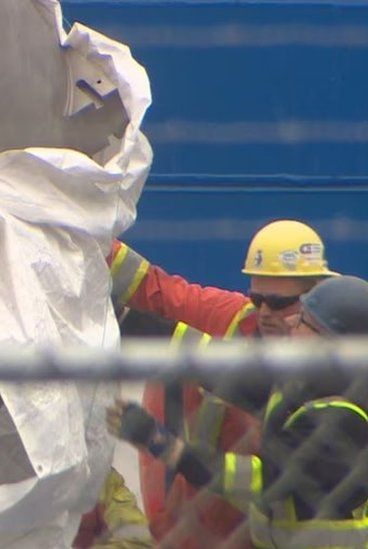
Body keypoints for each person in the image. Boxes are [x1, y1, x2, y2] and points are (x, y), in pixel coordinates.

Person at [107, 219, 338, 546]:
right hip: (208, 494)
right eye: (258, 299)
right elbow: (161, 292)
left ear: (315, 295)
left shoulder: (342, 348)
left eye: (280, 302)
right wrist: (93, 243)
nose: (265, 313)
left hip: (286, 507)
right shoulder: (237, 318)